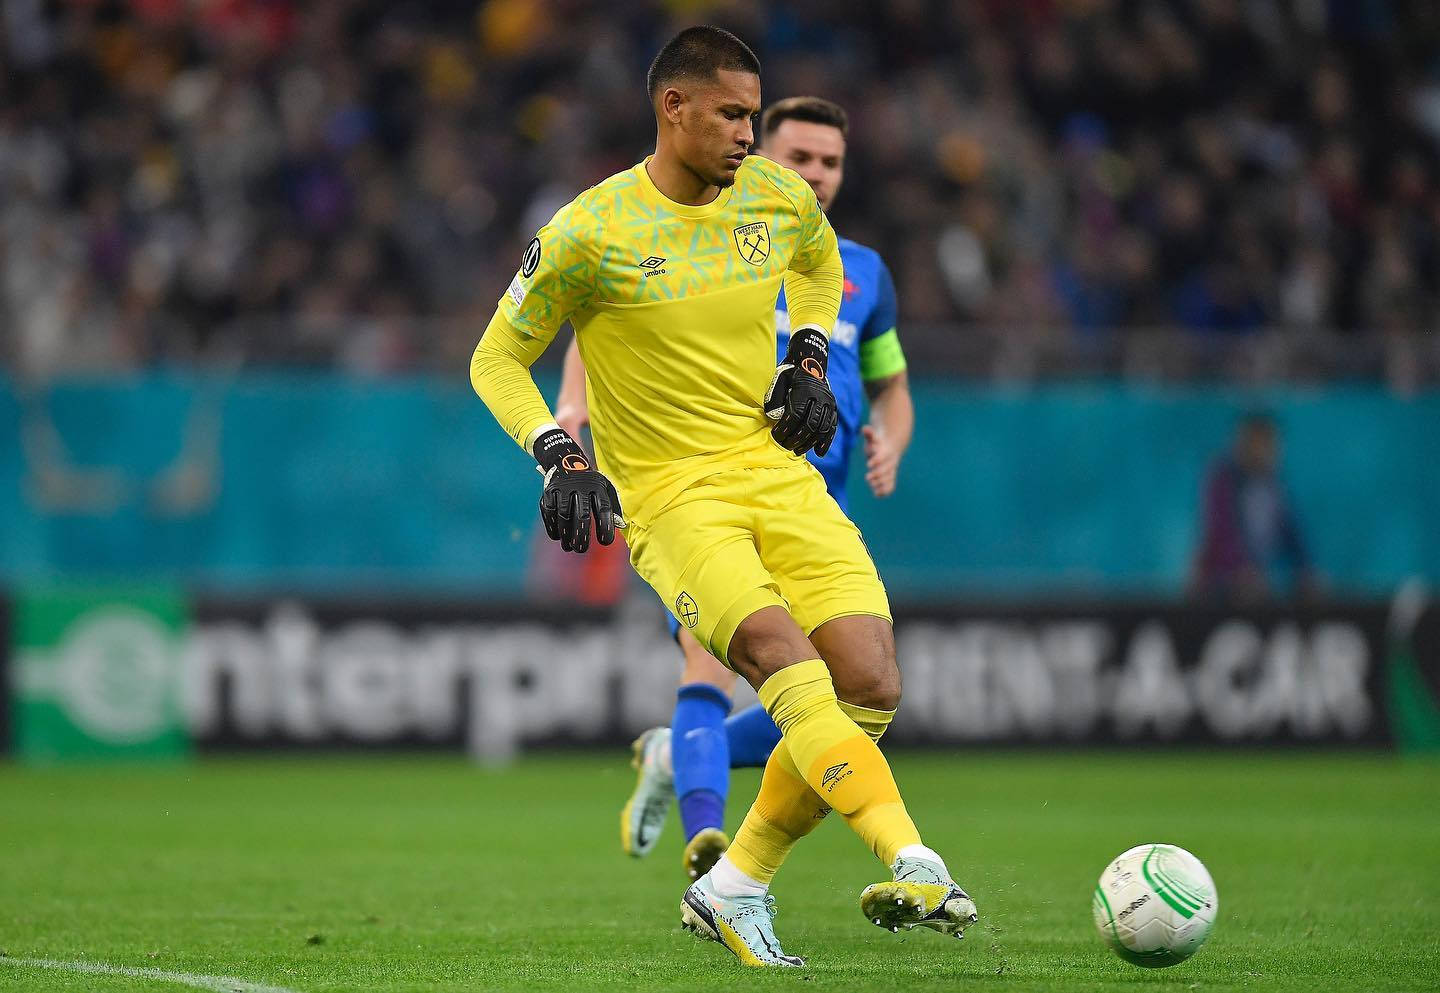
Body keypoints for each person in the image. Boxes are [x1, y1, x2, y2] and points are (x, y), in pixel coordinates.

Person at [469, 26, 974, 967]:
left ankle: (735, 885)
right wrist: (556, 453)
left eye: (754, 111)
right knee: (785, 664)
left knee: (870, 682)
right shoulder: (589, 230)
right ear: (675, 108)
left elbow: (825, 267)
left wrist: (811, 353)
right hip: (668, 498)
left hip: (775, 472)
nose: (751, 132)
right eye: (735, 113)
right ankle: (915, 857)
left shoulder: (774, 199)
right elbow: (496, 356)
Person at [552, 96, 913, 884]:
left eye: (831, 163)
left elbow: (892, 384)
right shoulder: (708, 237)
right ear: (755, 153)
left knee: (840, 690)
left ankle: (671, 758)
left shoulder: (863, 272)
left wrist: (892, 435)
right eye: (799, 158)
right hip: (702, 490)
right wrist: (573, 403)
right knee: (714, 670)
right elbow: (608, 319)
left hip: (816, 498)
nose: (814, 176)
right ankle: (710, 841)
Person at [1191, 411, 1315, 602]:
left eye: (1270, 445)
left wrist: (1306, 569)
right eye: (1257, 443)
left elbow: (1292, 535)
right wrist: (1243, 570)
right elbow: (1223, 534)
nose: (1264, 451)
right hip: (1219, 582)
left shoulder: (1275, 487)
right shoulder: (1222, 481)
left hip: (1257, 581)